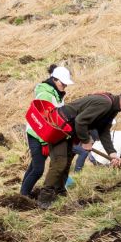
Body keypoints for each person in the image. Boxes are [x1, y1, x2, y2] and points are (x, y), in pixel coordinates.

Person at [34, 89, 121, 207]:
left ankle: (59, 192)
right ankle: (44, 198)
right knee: (60, 162)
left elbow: (104, 131)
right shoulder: (105, 104)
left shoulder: (112, 109)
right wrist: (86, 141)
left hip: (69, 131)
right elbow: (81, 121)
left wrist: (112, 153)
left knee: (67, 160)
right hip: (58, 127)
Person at [20, 63, 73, 199]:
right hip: (37, 133)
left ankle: (23, 192)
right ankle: (23, 196)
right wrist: (44, 142)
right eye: (63, 83)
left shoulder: (56, 93)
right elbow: (43, 120)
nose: (65, 86)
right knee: (38, 169)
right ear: (54, 79)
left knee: (34, 166)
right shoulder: (45, 94)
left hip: (44, 135)